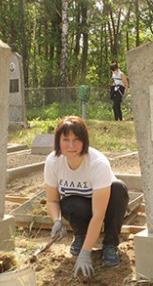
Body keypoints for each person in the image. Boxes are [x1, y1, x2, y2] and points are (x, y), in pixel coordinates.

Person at [44, 115, 130, 277]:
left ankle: (110, 244)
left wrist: (85, 253)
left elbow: (98, 215)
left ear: (85, 141)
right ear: (58, 141)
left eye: (77, 139)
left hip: (105, 207)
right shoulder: (53, 162)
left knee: (119, 188)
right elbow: (52, 199)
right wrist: (56, 220)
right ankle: (81, 235)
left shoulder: (97, 164)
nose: (71, 146)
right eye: (66, 140)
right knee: (69, 203)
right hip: (81, 207)